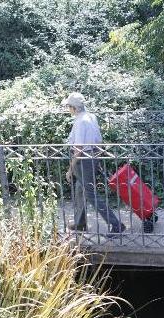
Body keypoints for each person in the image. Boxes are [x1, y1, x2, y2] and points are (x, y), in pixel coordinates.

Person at [61, 92, 126, 235]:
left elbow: (78, 149)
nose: (68, 109)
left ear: (74, 108)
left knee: (90, 194)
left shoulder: (79, 122)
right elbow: (98, 140)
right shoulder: (91, 117)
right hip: (92, 156)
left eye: (68, 107)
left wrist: (70, 169)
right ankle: (80, 223)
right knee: (80, 189)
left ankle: (116, 225)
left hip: (83, 160)